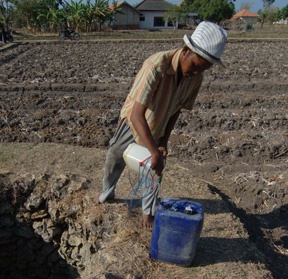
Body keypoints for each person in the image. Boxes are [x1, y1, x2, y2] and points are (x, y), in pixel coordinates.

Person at [95, 21, 228, 229]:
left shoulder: (196, 77)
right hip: (134, 122)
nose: (195, 73)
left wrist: (163, 141)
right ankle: (107, 192)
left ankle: (148, 213)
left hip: (160, 123)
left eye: (203, 69)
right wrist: (153, 150)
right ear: (185, 51)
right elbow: (137, 114)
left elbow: (177, 110)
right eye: (194, 65)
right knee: (115, 156)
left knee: (155, 169)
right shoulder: (156, 65)